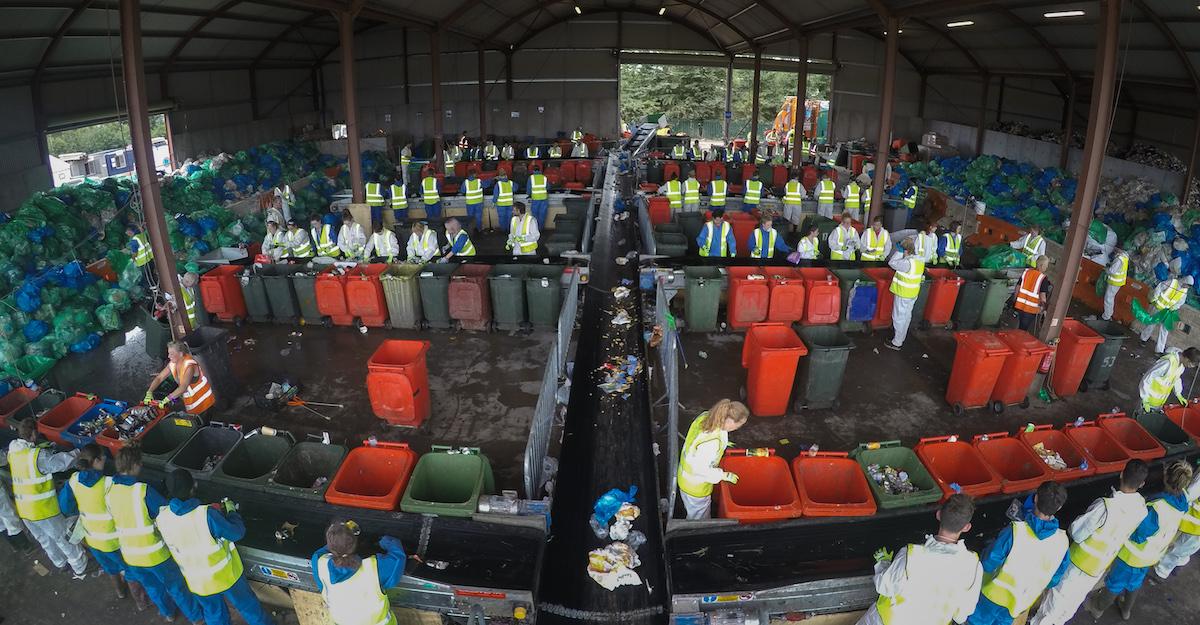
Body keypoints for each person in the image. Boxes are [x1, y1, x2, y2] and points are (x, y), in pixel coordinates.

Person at [1030, 459, 1149, 625]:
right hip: (1098, 568)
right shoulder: (1142, 508)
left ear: (1121, 474)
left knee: (1054, 603)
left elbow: (1077, 532)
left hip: (1077, 565)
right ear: (1142, 484)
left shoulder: (1106, 507)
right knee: (1071, 604)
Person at [157, 470, 274, 625]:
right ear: (193, 487)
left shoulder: (162, 517)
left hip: (198, 582)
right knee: (247, 606)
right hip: (226, 577)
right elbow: (237, 533)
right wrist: (232, 512)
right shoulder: (206, 515)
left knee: (214, 615)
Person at [107, 446, 204, 623]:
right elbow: (166, 512)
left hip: (130, 555)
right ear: (134, 465)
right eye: (140, 464)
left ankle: (168, 613)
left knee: (152, 587)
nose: (141, 466)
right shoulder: (142, 491)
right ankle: (196, 617)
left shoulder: (110, 491)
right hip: (155, 555)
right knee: (176, 587)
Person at [1088, 460, 1193, 620]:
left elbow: (1138, 534)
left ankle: (1097, 608)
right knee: (1135, 583)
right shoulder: (1182, 501)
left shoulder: (1157, 508)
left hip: (1131, 556)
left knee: (1114, 584)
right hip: (1151, 555)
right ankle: (1126, 610)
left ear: (1166, 476)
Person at [857, 494, 983, 625]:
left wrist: (883, 563)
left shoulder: (911, 555)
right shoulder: (973, 565)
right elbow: (961, 615)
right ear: (966, 527)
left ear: (939, 515)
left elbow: (884, 586)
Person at [966, 482, 1070, 625]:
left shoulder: (1015, 531)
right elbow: (1054, 579)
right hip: (1021, 601)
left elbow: (989, 563)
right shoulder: (1062, 542)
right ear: (1059, 507)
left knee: (977, 621)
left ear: (1035, 498)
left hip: (992, 596)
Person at [1, 419, 88, 578]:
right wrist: (78, 452)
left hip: (25, 509)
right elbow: (61, 463)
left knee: (45, 539)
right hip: (43, 509)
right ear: (34, 434)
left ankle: (60, 563)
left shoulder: (13, 452)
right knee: (62, 538)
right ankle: (80, 566)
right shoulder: (36, 456)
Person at [58, 444, 132, 599]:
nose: (105, 458)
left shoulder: (73, 481)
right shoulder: (109, 483)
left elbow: (65, 507)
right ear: (97, 460)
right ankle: (140, 600)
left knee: (109, 568)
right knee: (129, 568)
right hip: (114, 540)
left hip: (92, 538)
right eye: (103, 456)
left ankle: (120, 592)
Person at [312, 520, 407, 625]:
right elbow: (398, 558)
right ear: (355, 542)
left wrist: (338, 540)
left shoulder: (320, 564)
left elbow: (321, 553)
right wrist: (385, 541)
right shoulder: (375, 567)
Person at [676, 400, 748, 520]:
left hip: (684, 476)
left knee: (693, 511)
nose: (738, 428)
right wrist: (723, 475)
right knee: (699, 519)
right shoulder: (711, 443)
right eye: (739, 425)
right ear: (730, 422)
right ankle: (694, 536)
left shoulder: (706, 417)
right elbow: (700, 469)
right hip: (695, 485)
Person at [1152, 461, 1200, 580]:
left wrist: (1176, 488)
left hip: (1194, 525)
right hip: (1195, 528)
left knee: (1177, 549)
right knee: (1186, 549)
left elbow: (1190, 493)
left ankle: (1160, 573)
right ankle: (1177, 566)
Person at [147, 340, 216, 416]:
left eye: (172, 354)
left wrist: (167, 399)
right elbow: (160, 377)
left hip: (204, 402)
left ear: (180, 354)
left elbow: (183, 387)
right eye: (169, 353)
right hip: (191, 403)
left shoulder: (189, 366)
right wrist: (149, 392)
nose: (168, 356)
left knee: (203, 420)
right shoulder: (173, 364)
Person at [886, 237, 925, 351]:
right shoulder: (919, 261)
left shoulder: (907, 263)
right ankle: (901, 338)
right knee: (906, 316)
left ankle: (897, 342)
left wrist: (899, 251)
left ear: (906, 250)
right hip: (913, 293)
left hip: (903, 294)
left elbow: (892, 263)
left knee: (898, 318)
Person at [1140, 275, 1192, 354]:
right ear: (1185, 281)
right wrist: (1155, 298)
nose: (1187, 287)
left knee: (1165, 330)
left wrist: (1174, 308)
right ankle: (1143, 339)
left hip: (1168, 312)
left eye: (1189, 286)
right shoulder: (1172, 282)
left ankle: (1159, 350)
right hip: (1159, 307)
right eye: (1187, 285)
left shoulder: (1184, 291)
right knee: (1151, 324)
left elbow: (1180, 302)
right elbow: (1160, 287)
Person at [1137, 347, 1199, 414]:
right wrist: (1145, 398)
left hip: (1159, 402)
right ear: (1187, 359)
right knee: (1139, 417)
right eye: (1192, 364)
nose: (1190, 367)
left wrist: (1178, 393)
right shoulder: (1168, 363)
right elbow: (1148, 378)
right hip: (1147, 400)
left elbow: (1176, 378)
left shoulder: (1181, 365)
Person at [1014, 257, 1052, 333]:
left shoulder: (1026, 272)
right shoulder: (1043, 278)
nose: (1046, 268)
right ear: (1041, 265)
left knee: (1020, 325)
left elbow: (1017, 287)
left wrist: (1015, 299)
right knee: (1023, 329)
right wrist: (1044, 309)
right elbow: (1042, 296)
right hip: (1031, 309)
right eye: (1046, 265)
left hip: (1020, 305)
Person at [1101, 243, 1128, 321]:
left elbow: (1112, 271)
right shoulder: (1125, 258)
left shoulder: (1119, 259)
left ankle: (1106, 316)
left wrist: (1106, 269)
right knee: (1110, 298)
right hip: (1118, 282)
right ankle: (1108, 315)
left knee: (1108, 298)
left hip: (1114, 282)